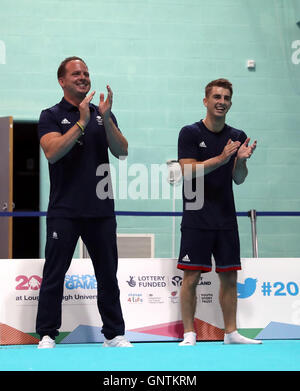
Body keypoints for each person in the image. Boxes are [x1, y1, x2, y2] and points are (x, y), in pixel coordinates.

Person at [36, 56, 132, 348]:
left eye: (86, 73)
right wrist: (81, 122)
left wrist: (105, 118)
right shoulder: (50, 115)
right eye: (76, 73)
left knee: (107, 275)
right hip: (64, 210)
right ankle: (48, 334)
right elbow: (52, 152)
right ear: (62, 80)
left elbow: (122, 150)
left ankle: (114, 334)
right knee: (54, 273)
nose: (83, 77)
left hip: (101, 210)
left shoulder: (102, 113)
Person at [177, 78, 261, 345]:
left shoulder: (237, 136)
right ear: (206, 101)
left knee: (229, 276)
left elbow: (238, 179)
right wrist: (221, 158)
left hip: (225, 217)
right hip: (196, 216)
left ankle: (231, 332)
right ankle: (189, 333)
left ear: (230, 103)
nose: (221, 102)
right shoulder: (189, 133)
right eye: (216, 97)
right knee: (191, 277)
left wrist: (241, 162)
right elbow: (188, 172)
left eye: (226, 98)